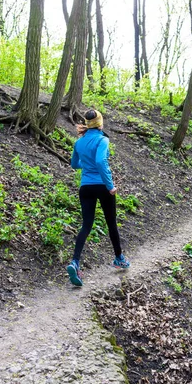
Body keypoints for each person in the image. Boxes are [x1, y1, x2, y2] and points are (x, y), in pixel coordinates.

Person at [66, 109, 130, 287]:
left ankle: (75, 262)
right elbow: (101, 162)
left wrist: (87, 165)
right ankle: (119, 258)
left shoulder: (79, 142)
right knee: (111, 223)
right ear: (100, 124)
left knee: (86, 225)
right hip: (102, 186)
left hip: (85, 186)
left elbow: (73, 164)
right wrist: (110, 186)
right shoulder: (103, 139)